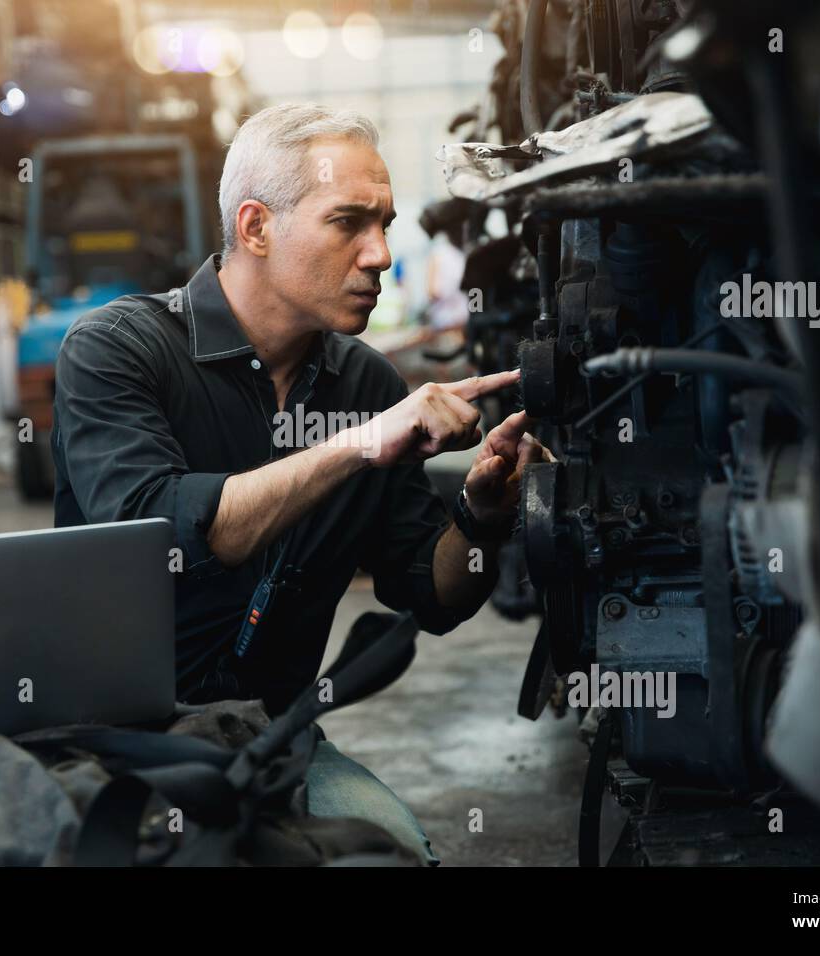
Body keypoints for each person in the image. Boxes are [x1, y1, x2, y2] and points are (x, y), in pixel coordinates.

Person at [51, 103, 547, 865]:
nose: (380, 254)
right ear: (255, 228)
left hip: (270, 744)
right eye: (348, 222)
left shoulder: (367, 383)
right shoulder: (118, 350)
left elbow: (433, 596)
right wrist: (358, 446)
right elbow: (160, 533)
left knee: (395, 858)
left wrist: (482, 515)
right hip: (109, 742)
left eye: (383, 222)